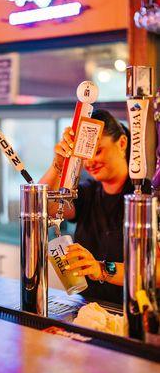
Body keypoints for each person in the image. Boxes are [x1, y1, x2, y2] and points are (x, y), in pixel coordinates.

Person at [40, 109, 154, 304]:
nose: (90, 162)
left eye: (98, 151)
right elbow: (44, 208)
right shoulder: (88, 192)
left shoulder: (146, 196)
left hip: (135, 312)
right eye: (85, 155)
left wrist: (101, 269)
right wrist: (58, 165)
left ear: (122, 143)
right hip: (88, 309)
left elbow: (156, 271)